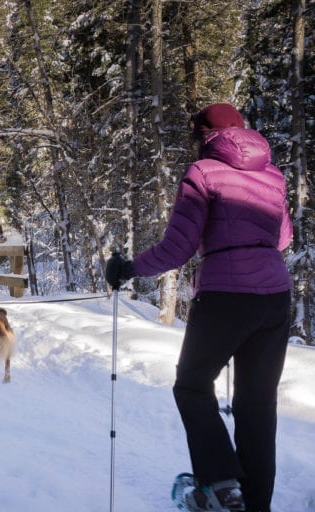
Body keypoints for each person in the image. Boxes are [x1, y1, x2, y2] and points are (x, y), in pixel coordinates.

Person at [105, 103, 292, 512]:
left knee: (191, 386)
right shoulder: (273, 175)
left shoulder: (202, 172)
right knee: (257, 403)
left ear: (204, 133)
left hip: (225, 296)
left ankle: (224, 486)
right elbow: (282, 240)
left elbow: (178, 248)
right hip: (276, 296)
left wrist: (129, 268)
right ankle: (255, 503)